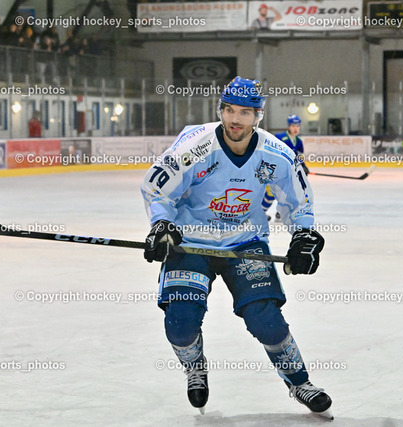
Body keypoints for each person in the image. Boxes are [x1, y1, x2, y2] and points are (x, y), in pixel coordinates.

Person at [141, 77, 332, 419]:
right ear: (221, 110)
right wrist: (161, 224)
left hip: (245, 242)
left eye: (245, 112)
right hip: (192, 240)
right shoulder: (195, 146)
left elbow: (298, 202)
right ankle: (194, 366)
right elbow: (159, 189)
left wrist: (303, 236)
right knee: (180, 322)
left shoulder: (276, 154)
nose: (235, 119)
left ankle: (300, 381)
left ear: (259, 115)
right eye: (229, 110)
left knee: (267, 320)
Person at [263, 115, 307, 220]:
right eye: (293, 126)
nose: (295, 128)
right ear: (288, 126)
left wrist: (303, 167)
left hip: (288, 173)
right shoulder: (280, 138)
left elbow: (299, 157)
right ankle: (260, 213)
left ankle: (280, 212)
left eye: (297, 126)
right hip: (275, 171)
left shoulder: (299, 141)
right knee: (270, 193)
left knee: (288, 193)